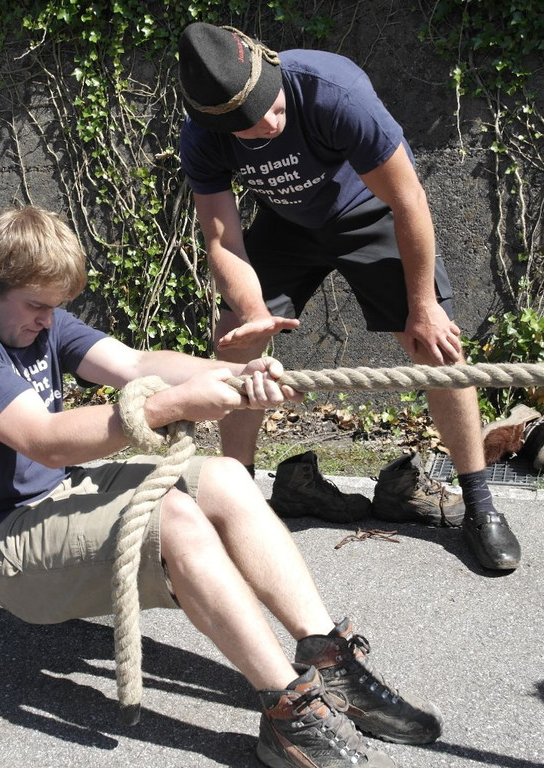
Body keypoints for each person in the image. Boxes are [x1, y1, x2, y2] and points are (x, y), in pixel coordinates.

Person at [0, 205, 442, 768]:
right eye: (37, 306)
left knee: (226, 479)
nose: (46, 320)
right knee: (177, 521)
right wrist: (176, 404)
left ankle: (329, 658)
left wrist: (234, 374)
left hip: (58, 498)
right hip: (1, 542)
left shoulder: (38, 318)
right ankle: (289, 711)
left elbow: (135, 364)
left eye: (53, 308)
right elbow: (46, 441)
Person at [177, 22, 521, 571]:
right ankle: (235, 503)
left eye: (272, 107)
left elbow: (408, 199)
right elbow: (222, 239)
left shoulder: (332, 90)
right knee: (235, 344)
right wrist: (253, 311)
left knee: (439, 348)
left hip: (371, 211)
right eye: (249, 125)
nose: (268, 124)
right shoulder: (201, 138)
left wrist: (423, 306)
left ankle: (480, 504)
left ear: (270, 67)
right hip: (287, 226)